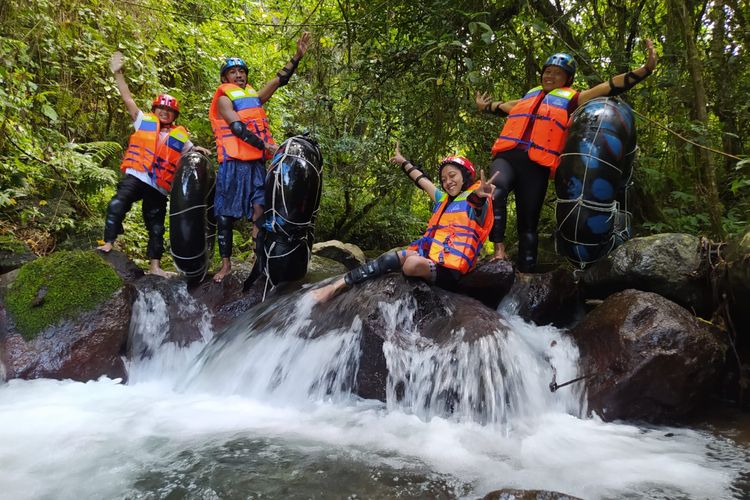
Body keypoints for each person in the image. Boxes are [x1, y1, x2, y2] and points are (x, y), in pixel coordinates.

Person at [475, 39, 657, 272]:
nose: (550, 76)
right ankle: (498, 251)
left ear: (567, 80)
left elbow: (609, 86)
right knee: (494, 191)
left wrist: (645, 69)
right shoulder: (527, 99)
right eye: (547, 71)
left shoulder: (572, 99)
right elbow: (499, 107)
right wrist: (484, 107)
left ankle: (526, 275)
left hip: (536, 166)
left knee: (528, 223)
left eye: (557, 74)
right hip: (508, 158)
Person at [313, 143, 496, 302]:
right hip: (429, 257)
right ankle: (337, 286)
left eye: (452, 176)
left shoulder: (475, 200)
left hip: (451, 271)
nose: (448, 182)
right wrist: (403, 162)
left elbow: (477, 205)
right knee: (389, 258)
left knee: (411, 265)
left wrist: (480, 197)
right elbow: (421, 180)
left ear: (465, 176)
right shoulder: (442, 199)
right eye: (444, 179)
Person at [208, 32, 312, 283]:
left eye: (242, 71)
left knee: (259, 209)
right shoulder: (223, 98)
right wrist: (266, 145)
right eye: (233, 72)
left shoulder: (253, 97)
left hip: (254, 164)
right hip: (232, 164)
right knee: (225, 215)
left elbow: (279, 80)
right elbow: (237, 129)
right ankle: (225, 266)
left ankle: (258, 259)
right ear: (225, 78)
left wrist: (296, 57)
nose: (239, 75)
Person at [97, 51, 207, 277]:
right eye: (161, 109)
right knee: (117, 204)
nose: (164, 112)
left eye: (169, 110)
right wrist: (118, 74)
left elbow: (190, 152)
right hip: (137, 175)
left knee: (156, 226)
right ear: (155, 110)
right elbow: (128, 99)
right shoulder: (143, 122)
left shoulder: (180, 136)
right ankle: (109, 242)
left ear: (174, 115)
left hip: (158, 185)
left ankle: (155, 266)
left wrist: (199, 150)